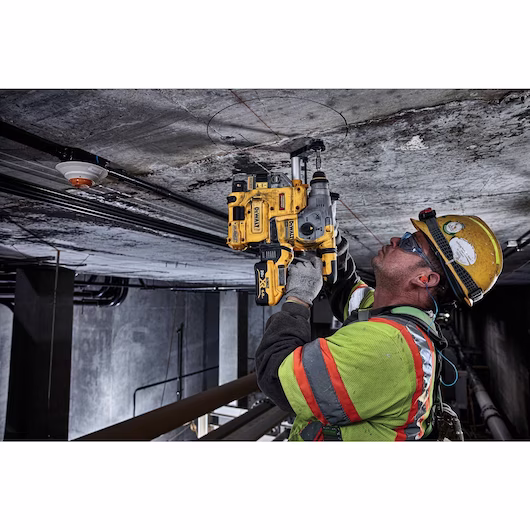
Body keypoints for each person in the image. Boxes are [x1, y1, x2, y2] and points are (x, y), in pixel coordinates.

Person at [255, 208, 503, 441]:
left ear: (425, 279)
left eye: (408, 243)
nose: (395, 239)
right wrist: (330, 239)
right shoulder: (395, 313)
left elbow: (276, 377)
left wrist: (298, 300)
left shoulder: (389, 347)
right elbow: (347, 290)